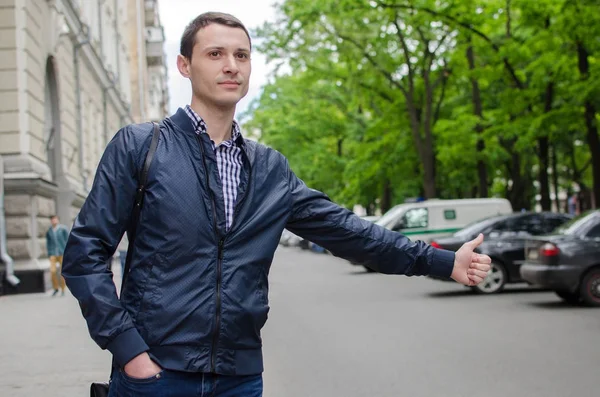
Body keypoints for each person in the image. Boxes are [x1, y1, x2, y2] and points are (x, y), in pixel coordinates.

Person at [62, 12, 492, 397]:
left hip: (240, 377)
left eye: (242, 55)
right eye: (215, 53)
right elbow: (84, 254)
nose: (231, 65)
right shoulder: (142, 147)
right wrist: (129, 351)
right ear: (184, 65)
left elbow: (349, 232)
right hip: (156, 376)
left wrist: (443, 262)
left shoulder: (270, 168)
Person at [46, 215, 68, 297]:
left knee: (62, 272)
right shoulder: (49, 231)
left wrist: (67, 252)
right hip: (53, 253)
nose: (53, 221)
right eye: (52, 220)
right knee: (53, 271)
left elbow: (67, 240)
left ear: (58, 220)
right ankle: (55, 288)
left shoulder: (63, 229)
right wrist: (49, 253)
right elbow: (48, 242)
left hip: (62, 253)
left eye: (55, 219)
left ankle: (63, 288)